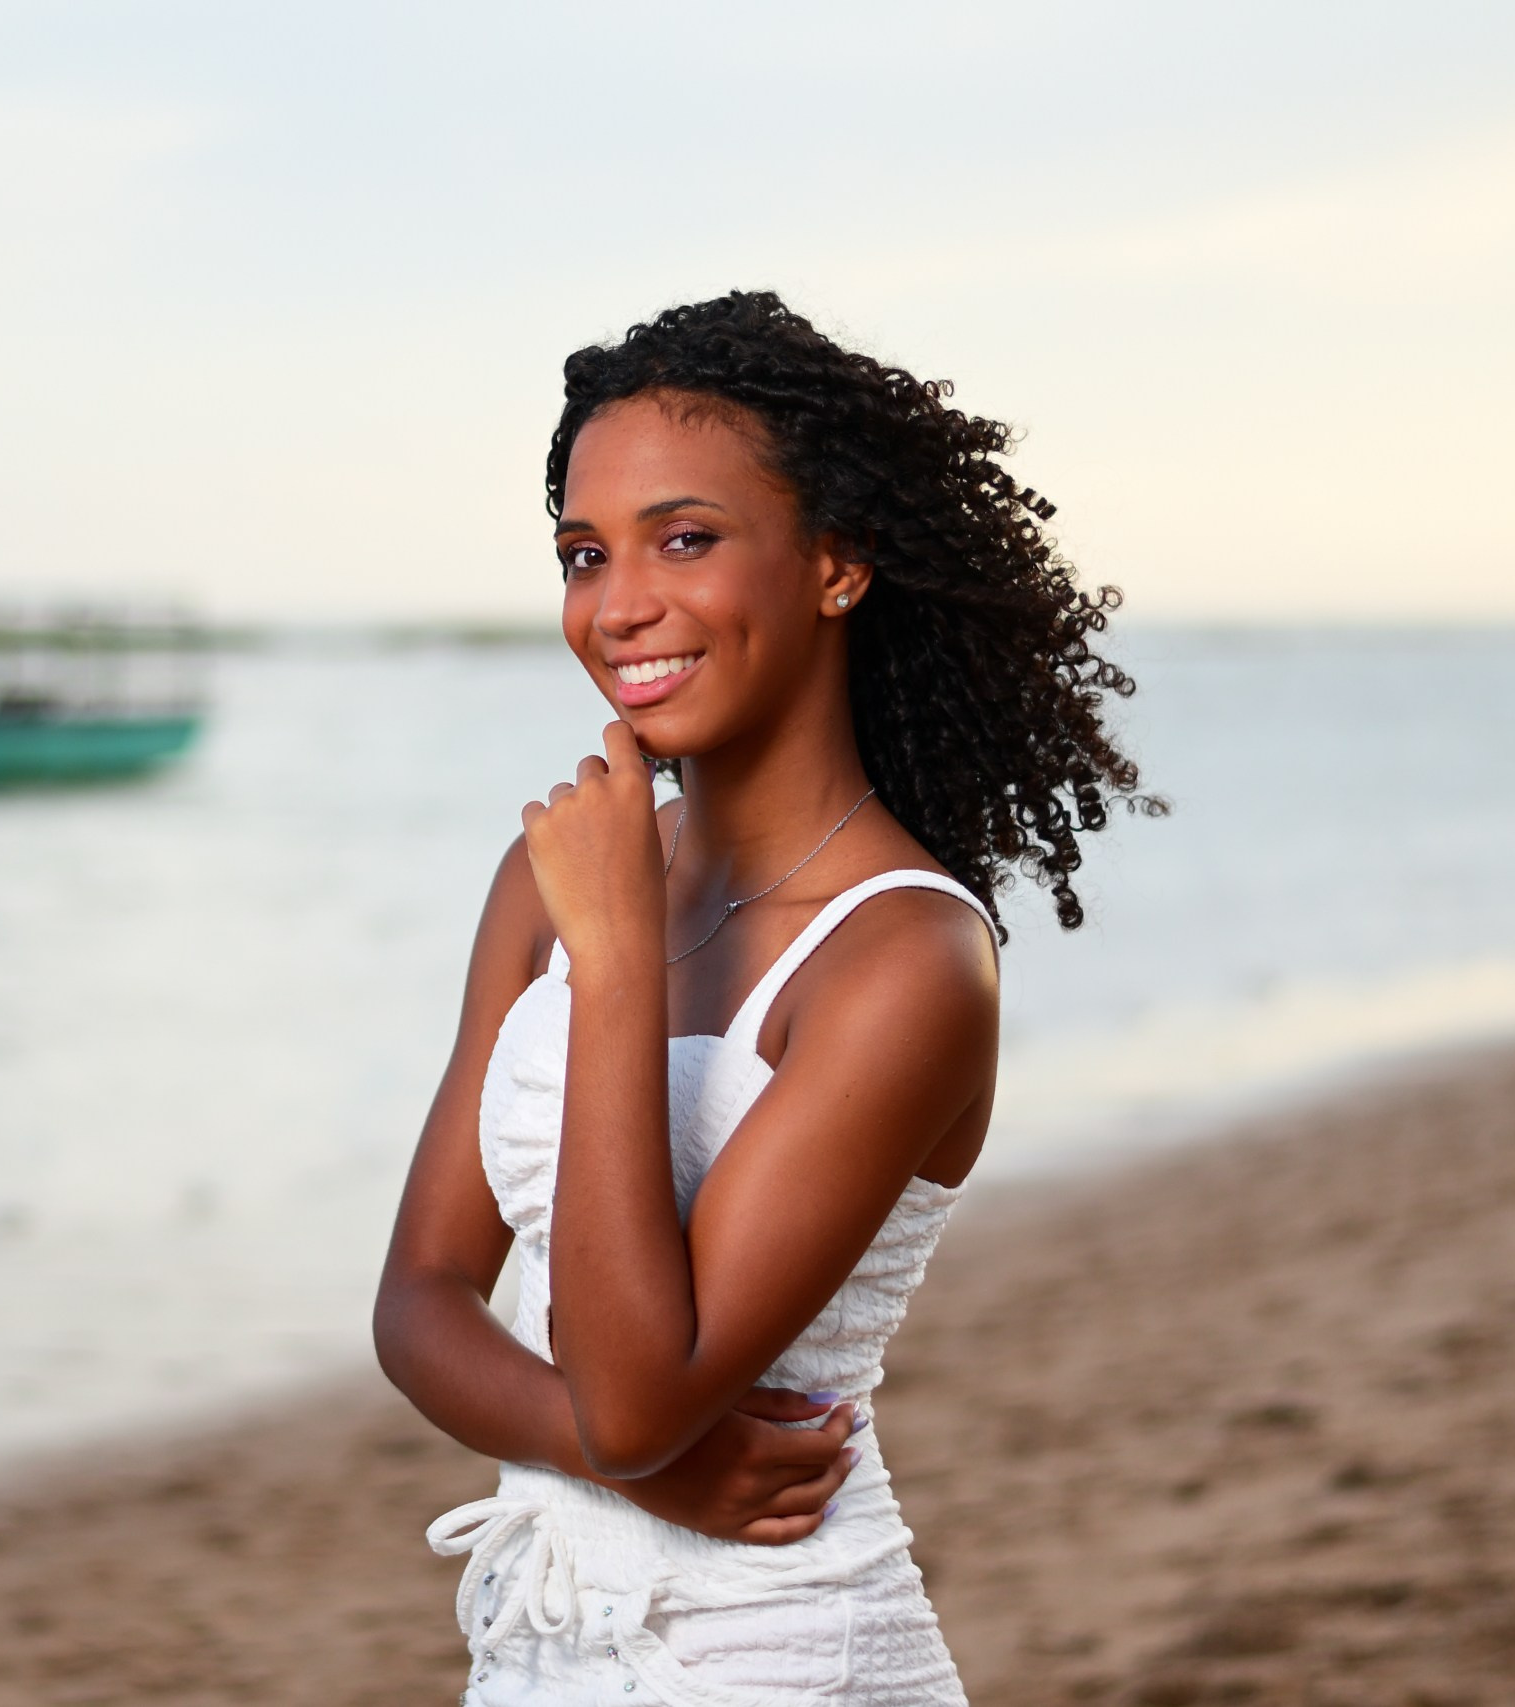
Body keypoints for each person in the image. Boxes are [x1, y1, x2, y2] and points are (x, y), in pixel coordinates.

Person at [372, 292, 1155, 1705]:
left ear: (836, 563)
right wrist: (641, 1468)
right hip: (537, 1652)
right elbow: (420, 1305)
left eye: (686, 539)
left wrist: (615, 963)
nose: (619, 605)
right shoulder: (550, 877)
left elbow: (638, 1389)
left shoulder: (903, 960)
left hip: (779, 1653)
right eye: (583, 552)